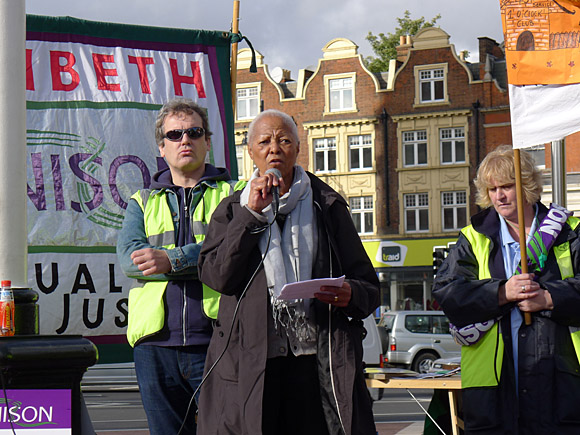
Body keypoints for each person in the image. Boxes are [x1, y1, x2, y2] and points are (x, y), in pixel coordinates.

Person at [196, 109, 379, 435]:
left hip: (316, 364)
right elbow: (217, 276)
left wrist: (350, 293)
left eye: (283, 140)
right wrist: (251, 215)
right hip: (252, 366)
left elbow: (369, 287)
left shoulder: (327, 205)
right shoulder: (233, 208)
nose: (274, 148)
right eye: (264, 141)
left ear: (298, 147)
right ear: (250, 152)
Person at [432, 145, 580, 434]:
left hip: (561, 384)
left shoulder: (569, 231)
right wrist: (502, 293)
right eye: (492, 189)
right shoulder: (473, 237)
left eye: (508, 186)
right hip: (492, 391)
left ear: (527, 185)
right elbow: (447, 293)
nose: (499, 196)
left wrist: (549, 298)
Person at [116, 98, 243, 435]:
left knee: (230, 430)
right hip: (155, 346)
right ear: (162, 146)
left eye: (193, 132)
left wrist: (170, 259)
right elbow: (129, 259)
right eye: (174, 135)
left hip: (218, 340)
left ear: (207, 141)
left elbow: (234, 250)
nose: (184, 140)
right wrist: (199, 257)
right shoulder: (141, 201)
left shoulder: (235, 193)